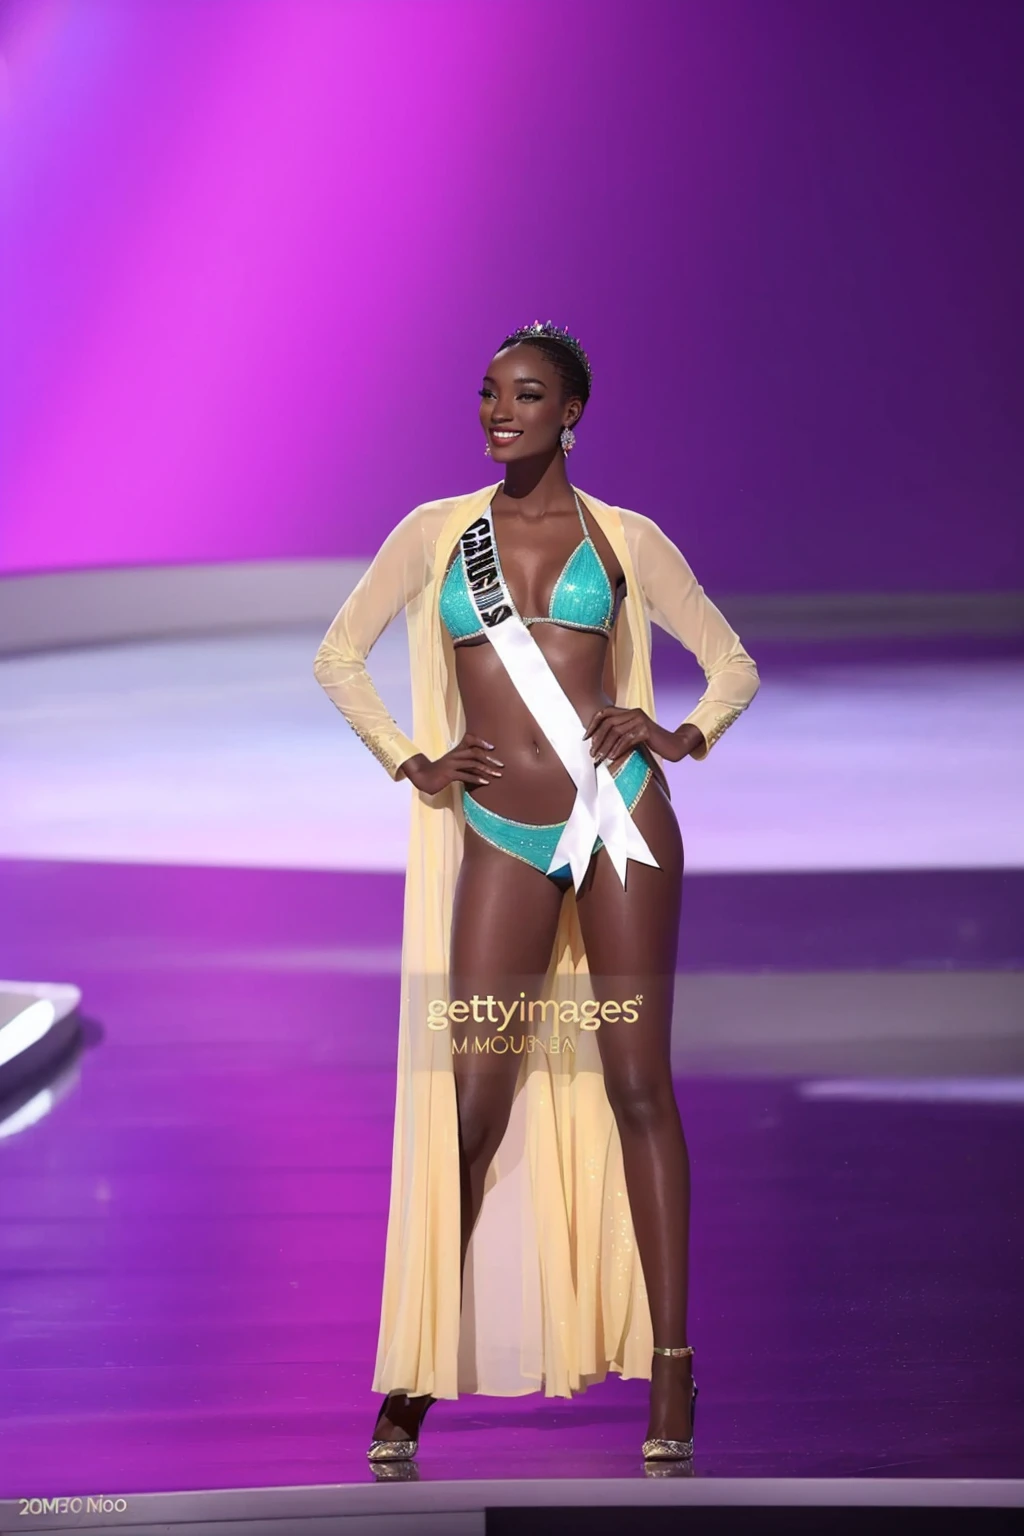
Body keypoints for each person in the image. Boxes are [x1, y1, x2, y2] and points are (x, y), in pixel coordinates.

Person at [313, 320, 760, 1463]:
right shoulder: (433, 536)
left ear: (571, 412)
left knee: (635, 1086)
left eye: (525, 395)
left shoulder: (623, 540)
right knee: (472, 1104)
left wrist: (681, 735)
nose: (498, 412)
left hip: (617, 821)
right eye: (487, 394)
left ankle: (672, 1375)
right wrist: (411, 758)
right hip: (500, 833)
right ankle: (416, 1371)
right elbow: (337, 655)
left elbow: (732, 662)